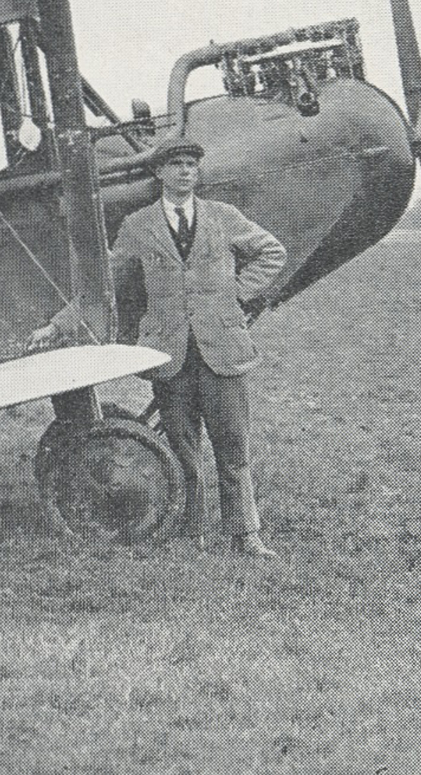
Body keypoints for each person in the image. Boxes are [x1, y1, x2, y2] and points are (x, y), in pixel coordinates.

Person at [33, 133, 288, 557]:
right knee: (182, 442)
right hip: (169, 354)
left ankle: (246, 535)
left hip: (221, 348)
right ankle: (192, 529)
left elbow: (271, 252)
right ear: (159, 172)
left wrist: (238, 295)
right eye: (175, 165)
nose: (185, 171)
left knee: (232, 444)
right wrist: (58, 325)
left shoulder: (224, 217)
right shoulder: (138, 225)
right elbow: (104, 285)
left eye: (191, 164)